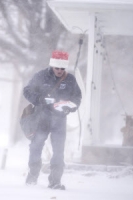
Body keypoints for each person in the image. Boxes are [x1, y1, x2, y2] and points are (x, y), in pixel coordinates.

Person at [23, 50, 82, 190]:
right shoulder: (41, 76)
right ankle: (33, 174)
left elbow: (77, 97)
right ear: (52, 66)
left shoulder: (70, 79)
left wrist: (70, 107)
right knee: (36, 146)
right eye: (57, 68)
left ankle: (55, 181)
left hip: (59, 120)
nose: (60, 71)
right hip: (41, 119)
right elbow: (27, 90)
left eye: (63, 68)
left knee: (59, 151)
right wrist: (39, 99)